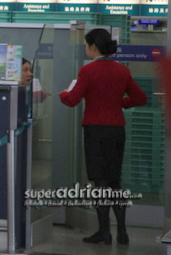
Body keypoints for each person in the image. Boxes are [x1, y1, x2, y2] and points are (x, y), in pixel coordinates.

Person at [59, 28, 147, 245]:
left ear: (93, 47)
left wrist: (62, 93)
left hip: (95, 130)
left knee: (100, 183)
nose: (86, 49)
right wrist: (120, 103)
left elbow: (72, 100)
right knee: (115, 182)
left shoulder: (87, 71)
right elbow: (140, 98)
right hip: (117, 130)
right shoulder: (122, 71)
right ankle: (123, 232)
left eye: (86, 46)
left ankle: (104, 231)